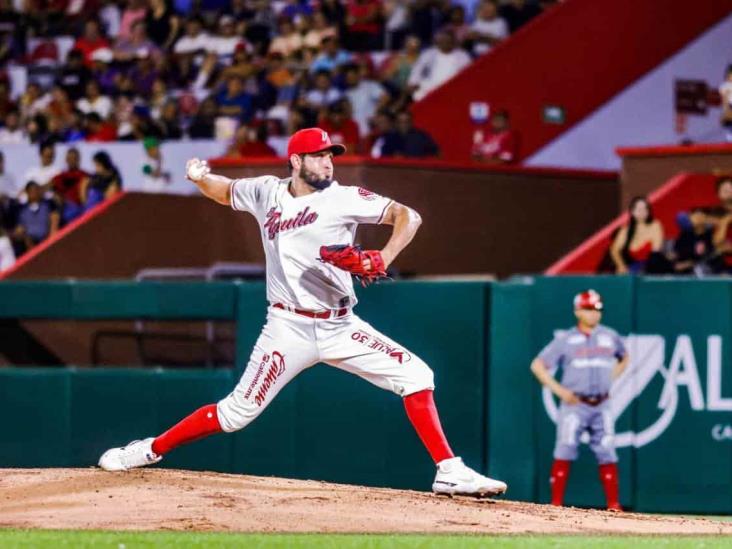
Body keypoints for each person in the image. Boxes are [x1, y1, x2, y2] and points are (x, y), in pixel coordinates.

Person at [97, 127, 508, 499]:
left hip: (341, 325)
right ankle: (148, 450)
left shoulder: (345, 198)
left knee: (417, 375)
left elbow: (408, 216)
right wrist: (201, 177)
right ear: (295, 161)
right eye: (318, 155)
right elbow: (224, 191)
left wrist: (383, 255)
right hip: (287, 326)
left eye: (331, 154)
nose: (328, 161)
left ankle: (450, 471)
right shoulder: (266, 191)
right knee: (236, 413)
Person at [530, 290, 628, 511]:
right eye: (589, 309)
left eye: (597, 309)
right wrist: (559, 390)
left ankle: (613, 504)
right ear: (578, 311)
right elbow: (537, 365)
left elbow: (624, 357)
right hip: (575, 404)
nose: (594, 314)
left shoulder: (610, 335)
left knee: (607, 449)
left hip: (602, 403)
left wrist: (609, 380)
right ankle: (556, 504)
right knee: (565, 448)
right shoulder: (566, 339)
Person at [407, 30, 471, 101]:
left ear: (453, 42)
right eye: (443, 41)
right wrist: (413, 82)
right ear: (438, 42)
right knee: (418, 94)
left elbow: (468, 74)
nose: (446, 43)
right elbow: (417, 69)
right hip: (430, 87)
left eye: (448, 41)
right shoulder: (428, 54)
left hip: (453, 88)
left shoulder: (463, 56)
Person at [610, 197, 664, 274]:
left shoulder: (655, 225)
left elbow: (656, 251)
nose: (642, 212)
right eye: (638, 209)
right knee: (620, 273)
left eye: (645, 209)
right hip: (635, 266)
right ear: (632, 212)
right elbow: (614, 250)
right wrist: (621, 265)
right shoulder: (625, 230)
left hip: (653, 265)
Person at [51, 147, 89, 224]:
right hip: (64, 207)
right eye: (69, 158)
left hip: (80, 207)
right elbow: (47, 186)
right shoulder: (60, 176)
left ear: (78, 159)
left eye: (74, 158)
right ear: (66, 160)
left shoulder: (85, 175)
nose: (71, 161)